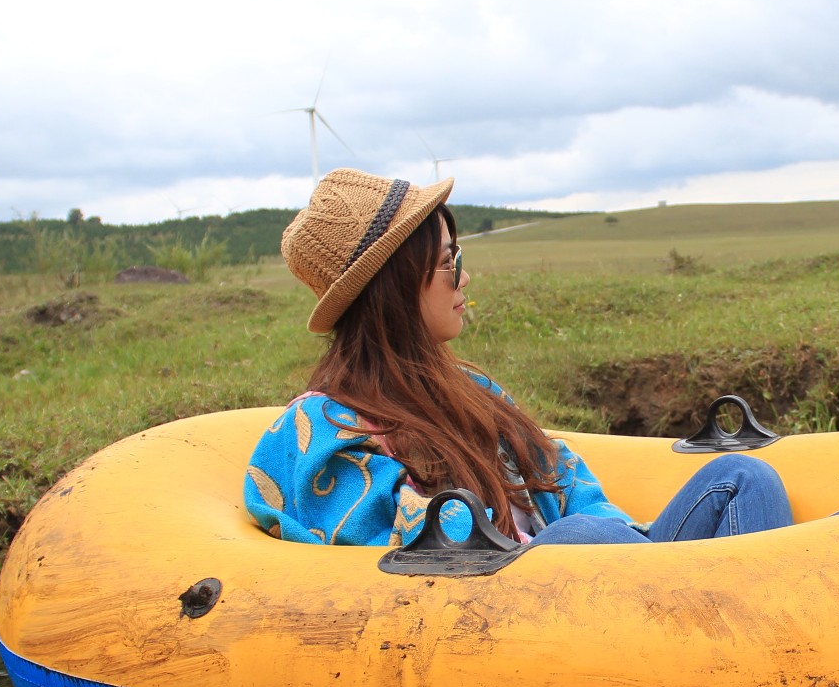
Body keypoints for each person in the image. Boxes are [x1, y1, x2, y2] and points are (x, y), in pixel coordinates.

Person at [245, 169, 792, 548]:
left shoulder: (472, 390)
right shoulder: (321, 428)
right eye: (448, 262)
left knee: (745, 475)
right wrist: (563, 544)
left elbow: (565, 480)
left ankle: (743, 631)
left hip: (608, 577)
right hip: (510, 621)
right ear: (393, 286)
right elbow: (394, 546)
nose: (464, 277)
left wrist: (631, 540)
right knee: (579, 540)